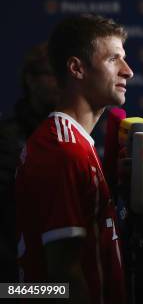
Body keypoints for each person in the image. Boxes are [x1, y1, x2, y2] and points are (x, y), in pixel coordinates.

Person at [14, 14, 133, 303]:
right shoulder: (64, 151)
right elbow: (63, 277)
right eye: (113, 59)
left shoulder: (74, 143)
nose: (128, 71)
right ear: (77, 68)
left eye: (124, 58)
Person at [0, 42, 59, 282]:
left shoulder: (71, 136)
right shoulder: (6, 138)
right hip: (14, 277)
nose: (59, 82)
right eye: (50, 74)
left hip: (58, 269)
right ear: (30, 79)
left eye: (62, 74)